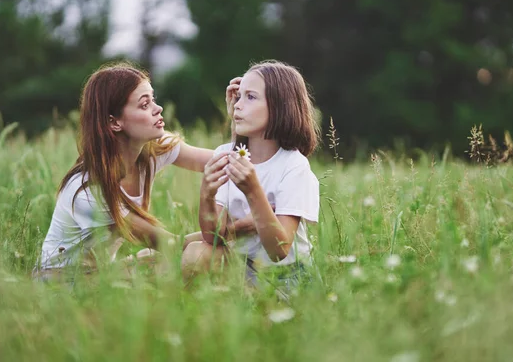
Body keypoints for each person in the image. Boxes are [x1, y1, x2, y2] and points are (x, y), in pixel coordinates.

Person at [35, 62, 236, 281]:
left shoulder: (155, 149)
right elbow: (170, 244)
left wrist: (237, 120)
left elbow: (230, 162)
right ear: (114, 122)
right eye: (144, 104)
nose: (157, 109)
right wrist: (237, 230)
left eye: (154, 99)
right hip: (65, 283)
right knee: (190, 259)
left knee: (156, 258)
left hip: (103, 274)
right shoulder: (90, 190)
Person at [181, 60, 321, 291]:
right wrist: (206, 193)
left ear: (279, 107)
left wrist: (253, 191)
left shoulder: (294, 166)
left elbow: (279, 251)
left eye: (251, 97)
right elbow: (212, 237)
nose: (237, 105)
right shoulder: (226, 155)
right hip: (243, 267)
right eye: (238, 96)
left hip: (286, 278)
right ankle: (208, 320)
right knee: (197, 253)